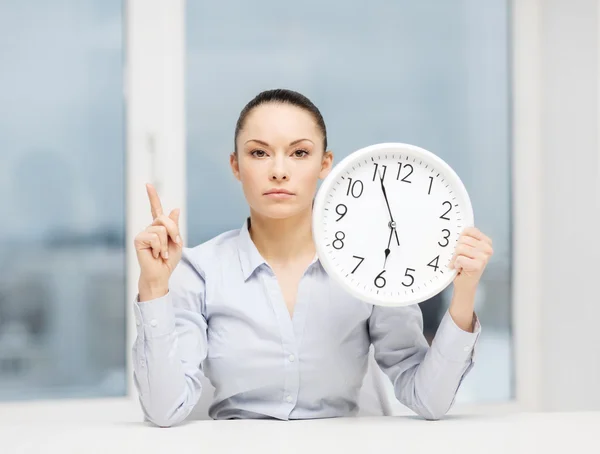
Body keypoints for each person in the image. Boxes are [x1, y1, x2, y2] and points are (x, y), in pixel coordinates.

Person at [132, 89, 494, 427]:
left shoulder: (370, 267)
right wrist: (153, 285)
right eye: (259, 153)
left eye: (299, 153)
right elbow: (165, 409)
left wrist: (463, 294)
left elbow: (428, 399)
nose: (279, 170)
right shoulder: (200, 270)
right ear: (236, 165)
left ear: (325, 164)